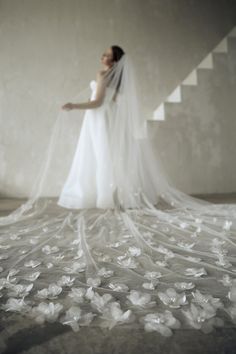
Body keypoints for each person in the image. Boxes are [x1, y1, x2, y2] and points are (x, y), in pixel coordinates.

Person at [0, 45, 236, 336]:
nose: (102, 58)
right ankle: (108, 196)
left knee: (99, 160)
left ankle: (108, 197)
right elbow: (108, 102)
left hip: (96, 121)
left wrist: (74, 106)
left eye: (106, 55)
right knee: (102, 161)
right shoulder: (114, 76)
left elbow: (97, 103)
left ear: (114, 60)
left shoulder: (104, 75)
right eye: (101, 54)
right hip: (101, 123)